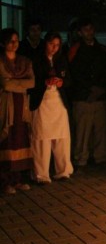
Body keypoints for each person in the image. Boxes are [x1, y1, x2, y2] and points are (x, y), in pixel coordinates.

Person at [30, 31, 74, 184]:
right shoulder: (36, 59)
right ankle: (41, 174)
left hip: (58, 101)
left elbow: (68, 79)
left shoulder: (61, 59)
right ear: (45, 43)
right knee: (42, 138)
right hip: (42, 101)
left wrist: (61, 82)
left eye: (57, 45)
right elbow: (31, 80)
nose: (54, 48)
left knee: (61, 137)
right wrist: (44, 82)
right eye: (51, 44)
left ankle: (63, 171)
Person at [68, 18, 106, 170]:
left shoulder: (102, 49)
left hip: (99, 94)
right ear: (80, 32)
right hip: (82, 95)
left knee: (100, 129)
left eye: (91, 29)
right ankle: (81, 158)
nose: (89, 32)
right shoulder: (74, 49)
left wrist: (100, 88)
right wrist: (89, 89)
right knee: (82, 130)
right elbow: (73, 73)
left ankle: (100, 157)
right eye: (86, 30)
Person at [0, 28, 35, 195]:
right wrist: (19, 83)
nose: (14, 44)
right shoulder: (0, 61)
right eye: (10, 41)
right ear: (3, 43)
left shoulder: (24, 61)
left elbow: (32, 82)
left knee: (21, 139)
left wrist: (13, 82)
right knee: (8, 139)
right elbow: (5, 85)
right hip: (6, 106)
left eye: (16, 41)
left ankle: (18, 178)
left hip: (22, 105)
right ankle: (5, 180)